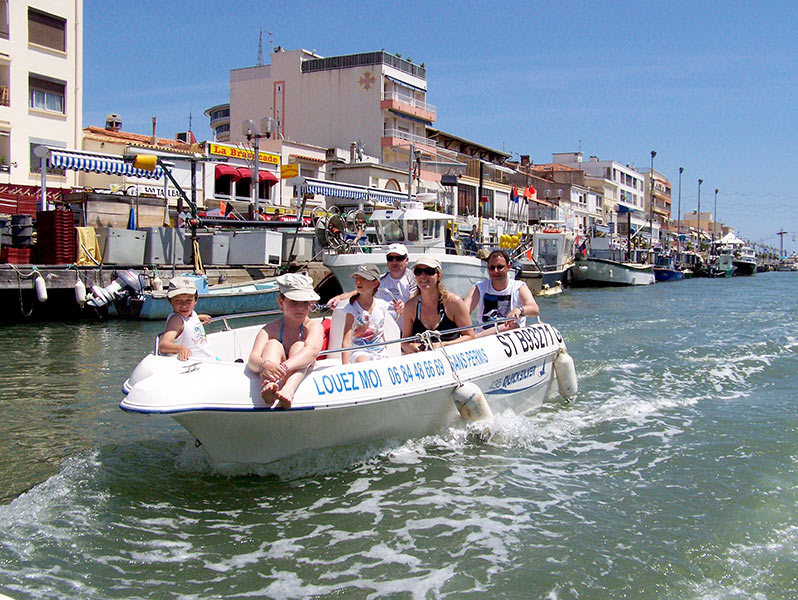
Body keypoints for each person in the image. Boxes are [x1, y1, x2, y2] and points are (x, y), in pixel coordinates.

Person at [247, 273, 324, 409]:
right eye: (294, 302)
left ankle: (289, 389)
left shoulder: (314, 327)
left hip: (300, 367)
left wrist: (284, 367)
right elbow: (253, 358)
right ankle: (269, 384)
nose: (300, 308)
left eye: (305, 303)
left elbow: (312, 351)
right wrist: (264, 365)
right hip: (274, 369)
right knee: (272, 344)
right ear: (281, 302)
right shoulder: (270, 329)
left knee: (300, 346)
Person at [328, 243, 414, 327]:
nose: (394, 262)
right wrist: (339, 298)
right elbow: (356, 292)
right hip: (382, 328)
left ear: (406, 260)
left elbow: (414, 302)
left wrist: (404, 309)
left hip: (405, 330)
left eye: (399, 258)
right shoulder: (380, 280)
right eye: (390, 258)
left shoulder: (413, 279)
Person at [401, 256, 473, 353]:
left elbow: (470, 336)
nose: (423, 276)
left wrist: (443, 345)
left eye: (429, 271)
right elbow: (404, 342)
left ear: (439, 275)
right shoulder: (410, 306)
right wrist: (413, 347)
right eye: (418, 272)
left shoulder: (453, 302)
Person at [464, 249, 539, 337]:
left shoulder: (518, 287)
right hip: (484, 336)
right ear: (488, 268)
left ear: (508, 267)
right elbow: (464, 311)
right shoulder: (479, 288)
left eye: (500, 267)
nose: (495, 271)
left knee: (510, 326)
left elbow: (535, 309)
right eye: (492, 267)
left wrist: (519, 310)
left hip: (511, 336)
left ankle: (472, 339)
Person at [341, 264, 391, 364]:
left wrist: (386, 350)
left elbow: (380, 331)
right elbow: (346, 341)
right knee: (364, 362)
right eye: (357, 278)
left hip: (380, 351)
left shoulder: (382, 305)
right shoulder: (352, 308)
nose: (359, 281)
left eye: (364, 278)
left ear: (375, 284)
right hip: (360, 351)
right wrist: (344, 366)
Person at [158, 277, 215, 361]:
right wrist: (180, 348)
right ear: (170, 301)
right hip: (197, 363)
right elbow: (163, 345)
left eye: (188, 300)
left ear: (196, 299)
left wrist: (199, 317)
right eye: (178, 301)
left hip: (209, 359)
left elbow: (187, 322)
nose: (184, 305)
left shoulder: (191, 314)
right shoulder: (176, 320)